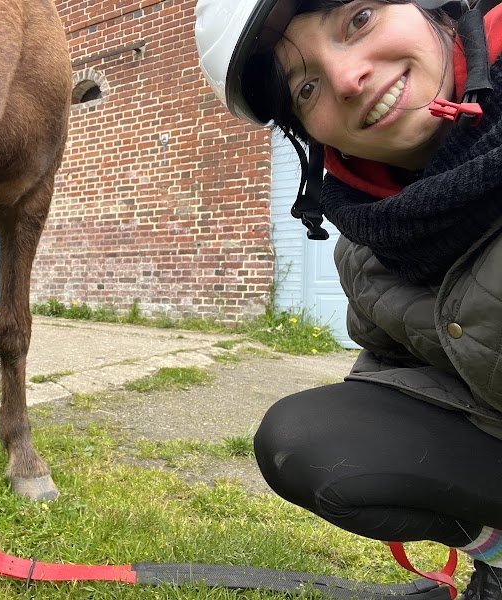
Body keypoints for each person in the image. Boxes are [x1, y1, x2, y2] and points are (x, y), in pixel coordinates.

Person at [195, 0, 502, 598]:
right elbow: (401, 376)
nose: (346, 78)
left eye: (359, 20)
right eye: (305, 87)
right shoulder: (368, 240)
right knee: (309, 440)